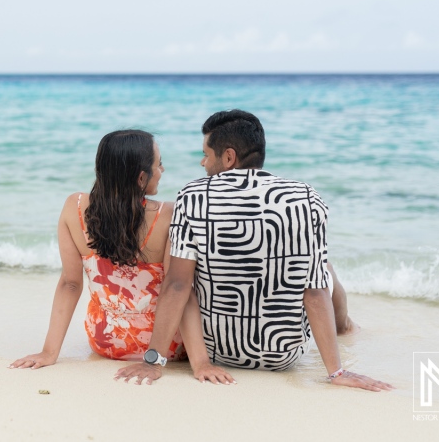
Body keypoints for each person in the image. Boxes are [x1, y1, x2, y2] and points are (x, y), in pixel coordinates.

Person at [115, 110, 393, 391]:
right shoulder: (306, 198)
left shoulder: (193, 196)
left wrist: (152, 361)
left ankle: (346, 326)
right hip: (284, 356)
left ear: (228, 157)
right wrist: (337, 372)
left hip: (218, 353)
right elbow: (315, 291)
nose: (202, 162)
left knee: (191, 265)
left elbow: (177, 285)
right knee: (323, 269)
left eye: (206, 154)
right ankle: (345, 327)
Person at [10, 129, 233, 384]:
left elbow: (70, 284)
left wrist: (49, 352)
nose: (162, 169)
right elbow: (179, 289)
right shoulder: (168, 215)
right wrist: (201, 363)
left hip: (105, 341)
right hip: (165, 349)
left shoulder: (75, 207)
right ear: (141, 177)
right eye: (158, 164)